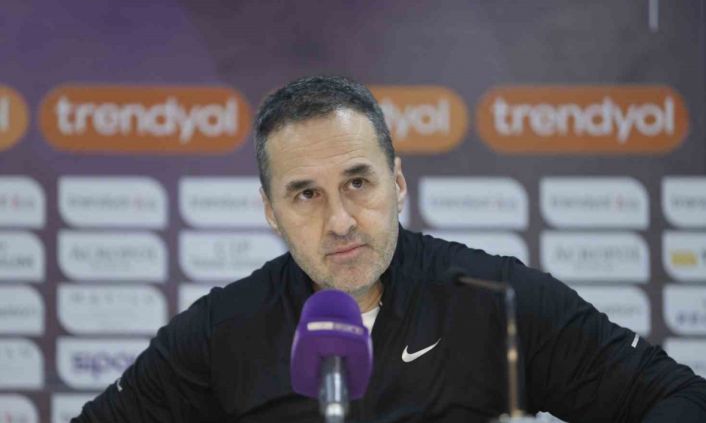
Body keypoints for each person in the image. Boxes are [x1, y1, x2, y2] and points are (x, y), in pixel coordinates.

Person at [73, 76, 706, 422]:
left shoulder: (497, 300)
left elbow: (677, 398)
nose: (340, 221)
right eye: (305, 195)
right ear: (270, 213)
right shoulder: (221, 330)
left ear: (397, 182)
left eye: (358, 182)